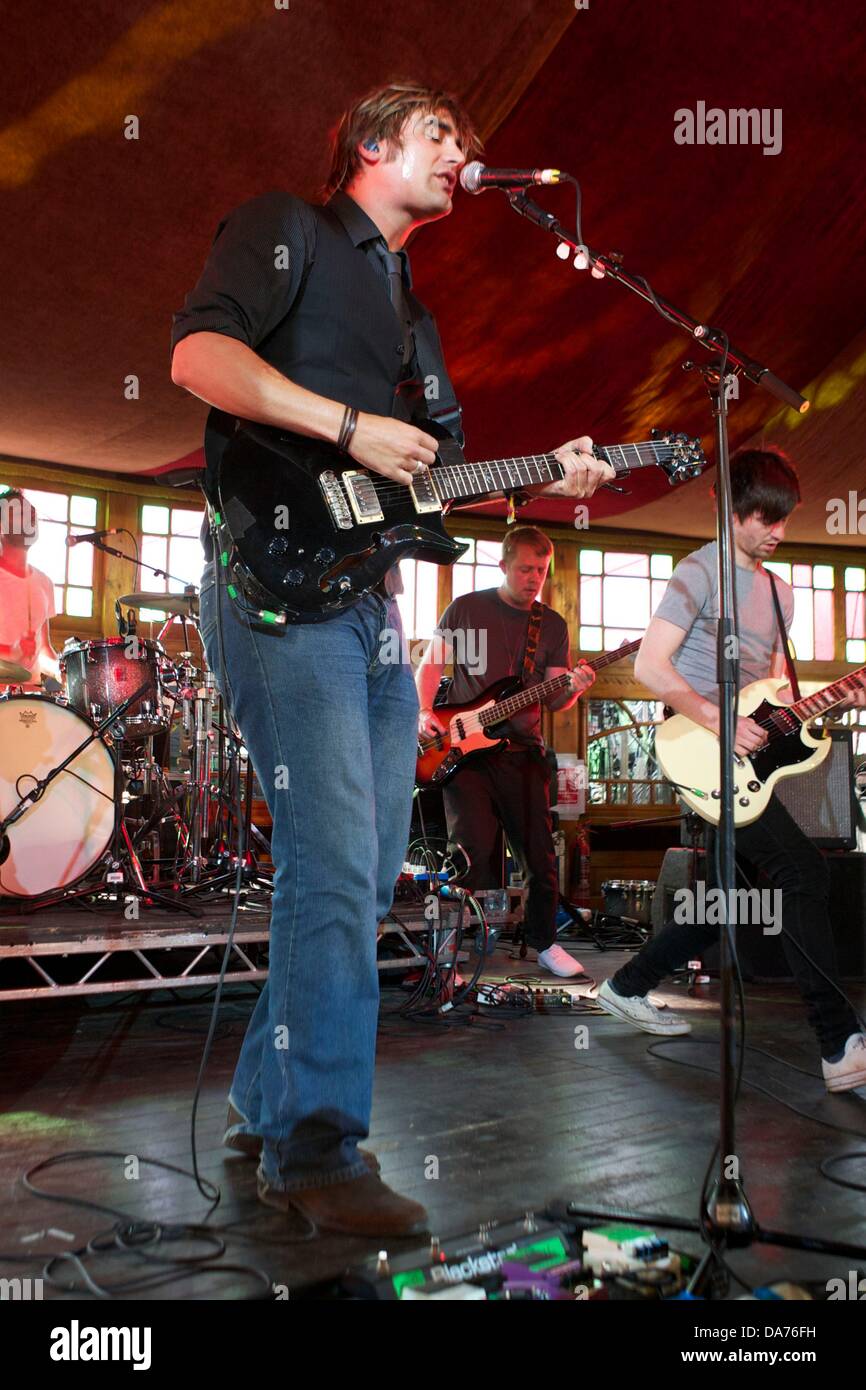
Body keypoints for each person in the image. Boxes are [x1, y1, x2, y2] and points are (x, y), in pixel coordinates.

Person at [171, 81, 615, 1237]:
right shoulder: (290, 229)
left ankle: (267, 1096)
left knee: (365, 878)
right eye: (439, 135)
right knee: (326, 867)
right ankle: (318, 1153)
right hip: (273, 598)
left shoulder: (412, 316)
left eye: (463, 140)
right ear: (372, 143)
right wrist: (343, 425)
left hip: (369, 613)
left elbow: (425, 485)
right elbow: (198, 359)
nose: (461, 154)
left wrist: (544, 474)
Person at [596, 449, 866, 1093]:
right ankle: (839, 1044)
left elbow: (770, 693)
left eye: (784, 519)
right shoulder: (698, 572)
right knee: (800, 873)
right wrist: (719, 721)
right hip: (700, 751)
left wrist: (839, 692)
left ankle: (625, 986)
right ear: (731, 509)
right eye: (763, 518)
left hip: (746, 762)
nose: (776, 531)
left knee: (726, 899)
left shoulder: (780, 592)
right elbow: (651, 668)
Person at [416, 526, 594, 977]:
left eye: (542, 570)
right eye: (525, 569)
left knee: (540, 855)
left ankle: (545, 944)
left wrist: (572, 689)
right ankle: (448, 949)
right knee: (469, 851)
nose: (534, 578)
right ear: (504, 566)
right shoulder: (467, 608)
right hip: (464, 751)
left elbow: (554, 698)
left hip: (523, 751)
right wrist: (421, 711)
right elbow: (431, 662)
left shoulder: (550, 624)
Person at [0, 489, 62, 689]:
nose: (31, 517)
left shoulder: (44, 582)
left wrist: (62, 673)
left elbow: (43, 650)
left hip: (32, 699)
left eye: (32, 513)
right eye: (20, 513)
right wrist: (11, 653)